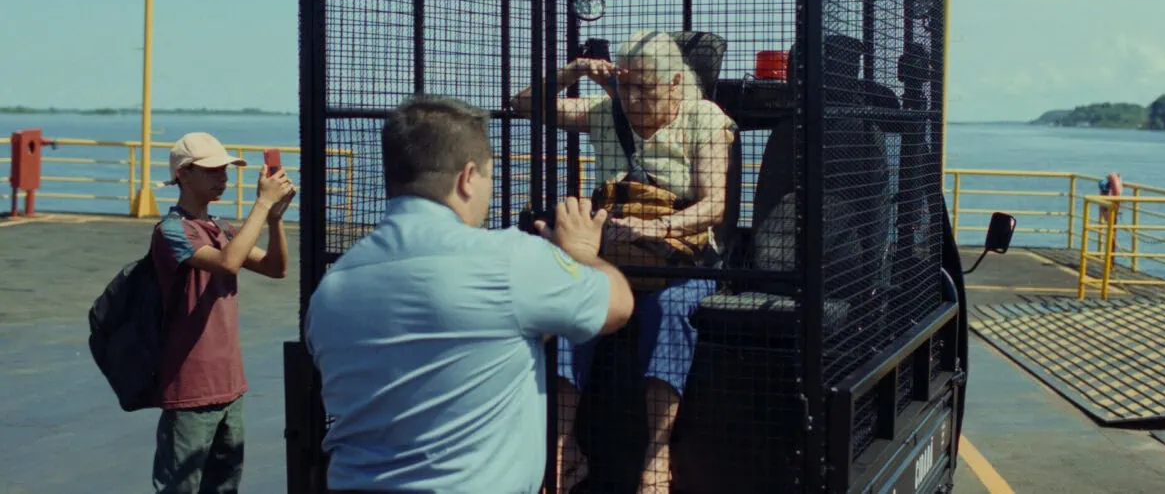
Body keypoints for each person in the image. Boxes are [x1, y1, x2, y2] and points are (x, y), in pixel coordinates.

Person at [303, 95, 635, 494]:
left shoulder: (332, 288)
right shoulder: (508, 261)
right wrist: (580, 250)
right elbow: (617, 305)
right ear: (467, 178)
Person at [511, 30, 737, 494]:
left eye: (646, 89)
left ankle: (657, 455)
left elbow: (715, 204)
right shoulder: (604, 115)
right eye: (627, 86)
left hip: (681, 263)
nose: (634, 99)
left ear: (675, 83)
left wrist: (661, 228)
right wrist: (570, 73)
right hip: (614, 260)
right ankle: (561, 446)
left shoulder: (705, 121)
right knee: (571, 309)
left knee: (670, 312)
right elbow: (524, 104)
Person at [151, 132, 295, 494]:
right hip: (191, 390)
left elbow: (276, 268)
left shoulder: (222, 229)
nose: (223, 178)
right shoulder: (172, 231)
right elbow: (229, 263)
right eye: (213, 170)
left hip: (230, 387)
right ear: (184, 174)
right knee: (179, 488)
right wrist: (262, 204)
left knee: (224, 487)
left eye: (225, 170)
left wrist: (275, 219)